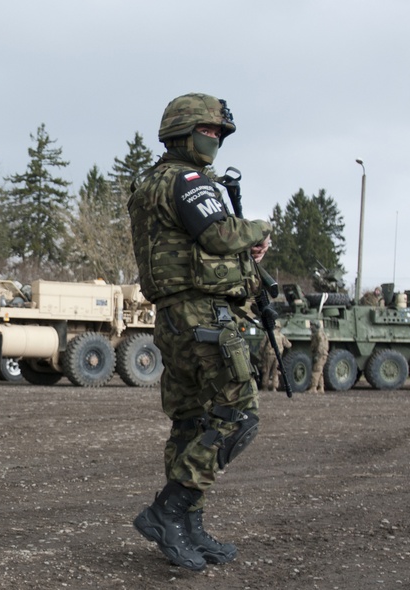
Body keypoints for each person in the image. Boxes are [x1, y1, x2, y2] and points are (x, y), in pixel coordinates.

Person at [127, 93, 272, 572]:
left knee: (191, 421)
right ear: (184, 133)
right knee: (238, 414)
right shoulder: (188, 179)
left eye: (219, 134)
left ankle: (187, 525)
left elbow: (195, 246)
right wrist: (260, 227)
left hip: (174, 317)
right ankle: (168, 511)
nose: (216, 140)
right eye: (209, 132)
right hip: (202, 318)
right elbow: (218, 236)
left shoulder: (150, 181)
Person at [260, 323, 291, 391]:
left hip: (269, 355)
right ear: (279, 327)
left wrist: (261, 354)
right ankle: (274, 387)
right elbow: (288, 345)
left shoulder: (268, 334)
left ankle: (265, 387)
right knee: (275, 372)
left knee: (266, 371)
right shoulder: (281, 336)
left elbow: (262, 345)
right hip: (278, 356)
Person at [309, 322, 329, 393]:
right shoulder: (320, 333)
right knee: (320, 372)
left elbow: (321, 345)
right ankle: (321, 388)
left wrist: (317, 355)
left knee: (316, 371)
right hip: (323, 354)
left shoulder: (319, 334)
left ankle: (313, 388)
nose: (310, 327)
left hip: (320, 355)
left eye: (312, 325)